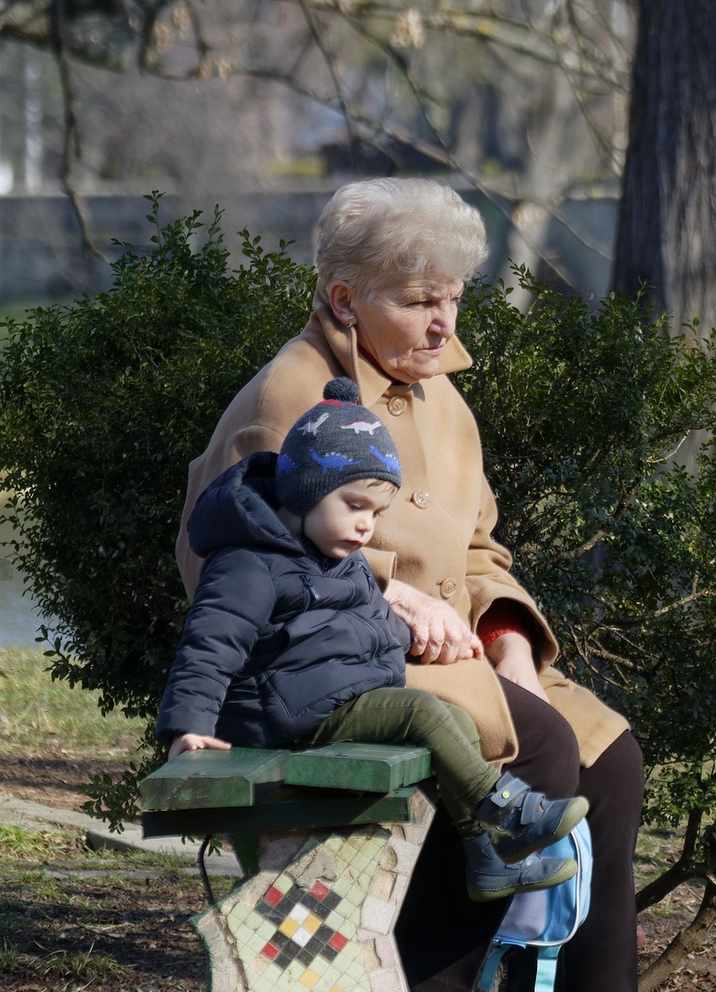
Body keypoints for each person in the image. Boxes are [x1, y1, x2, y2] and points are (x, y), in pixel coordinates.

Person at [177, 177, 665, 992]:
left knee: (612, 754)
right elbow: (235, 551)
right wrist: (391, 600)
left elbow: (479, 548)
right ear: (344, 300)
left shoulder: (442, 398)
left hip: (460, 647)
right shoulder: (291, 396)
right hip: (331, 663)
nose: (443, 324)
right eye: (418, 301)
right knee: (532, 747)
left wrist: (513, 642)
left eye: (452, 299)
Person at [157, 377, 589, 904]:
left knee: (450, 717)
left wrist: (421, 639)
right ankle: (508, 812)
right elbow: (209, 644)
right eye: (355, 505)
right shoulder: (250, 562)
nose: (366, 527)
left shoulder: (337, 555)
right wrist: (190, 726)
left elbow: (368, 625)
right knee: (423, 714)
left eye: (377, 514)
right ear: (305, 491)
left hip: (325, 697)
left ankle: (486, 856)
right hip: (280, 715)